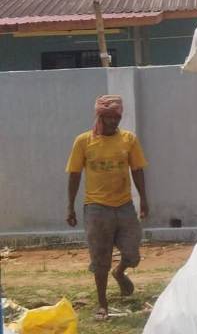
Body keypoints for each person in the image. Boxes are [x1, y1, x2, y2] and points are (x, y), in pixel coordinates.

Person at [66, 94, 149, 321]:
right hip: (96, 208)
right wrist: (70, 207)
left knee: (132, 253)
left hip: (124, 206)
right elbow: (74, 175)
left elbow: (137, 170)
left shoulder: (129, 140)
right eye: (109, 117)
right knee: (100, 259)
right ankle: (102, 304)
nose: (113, 121)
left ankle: (120, 271)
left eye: (117, 117)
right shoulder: (83, 141)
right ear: (99, 117)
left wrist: (144, 200)